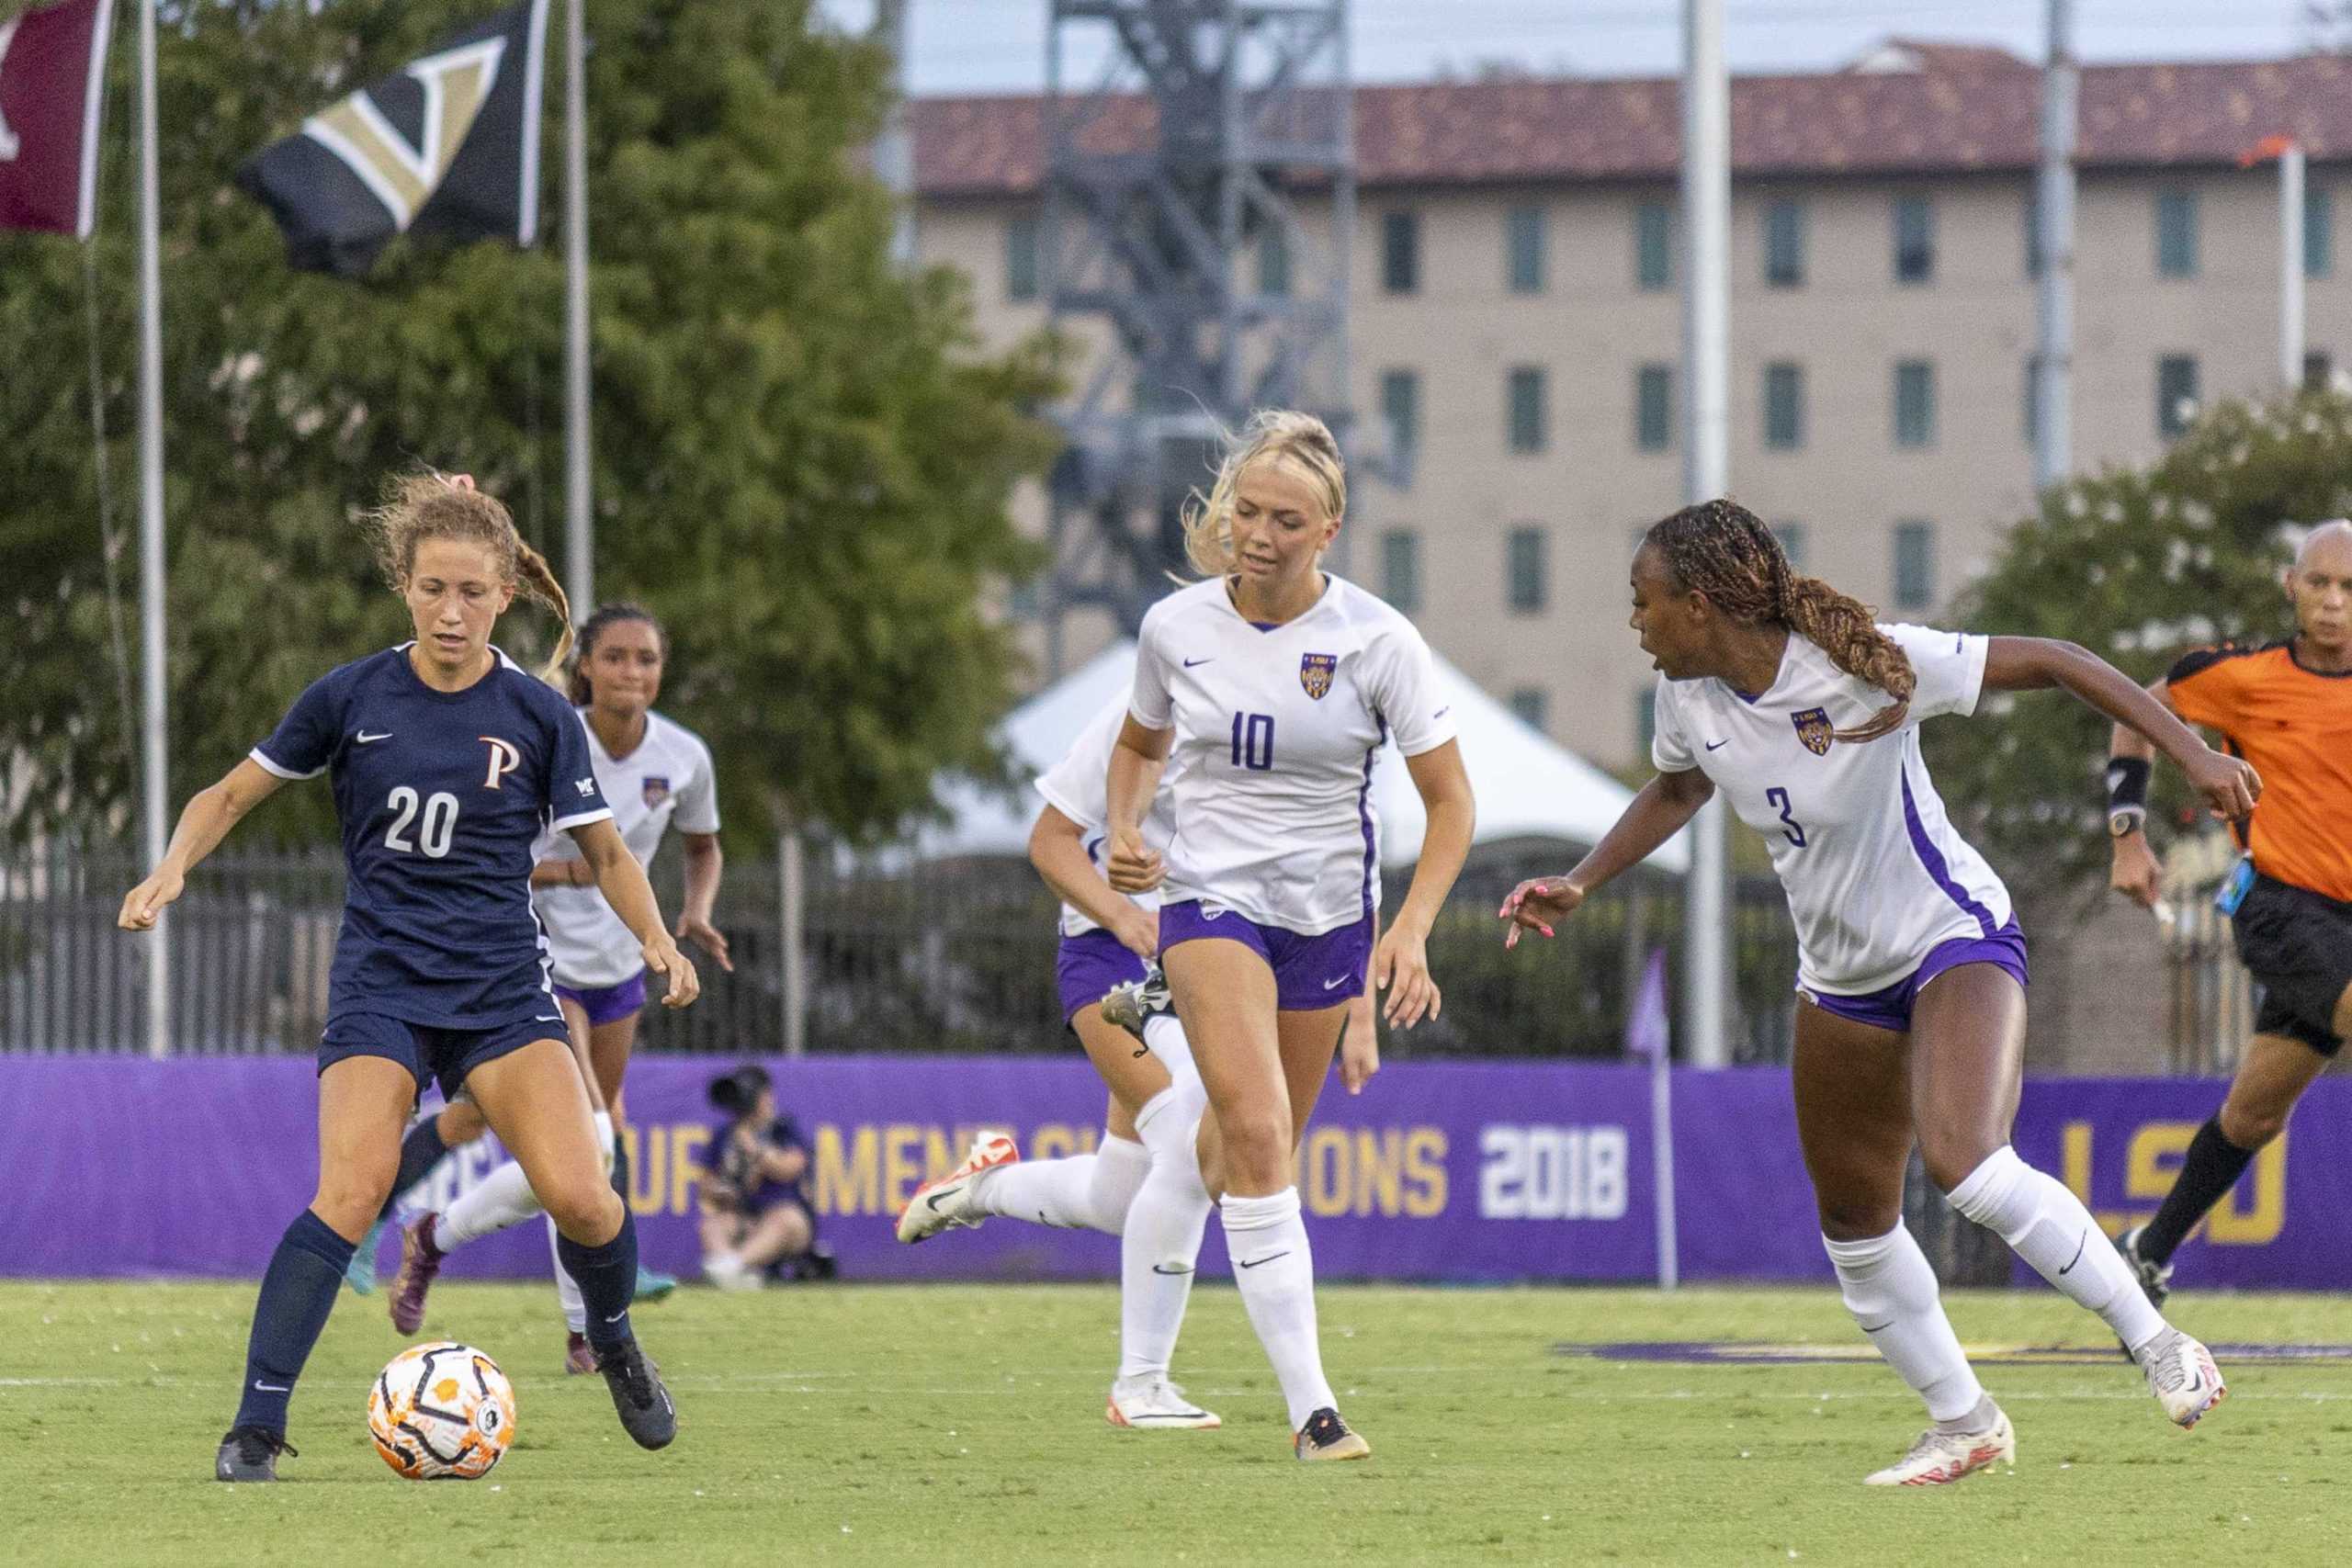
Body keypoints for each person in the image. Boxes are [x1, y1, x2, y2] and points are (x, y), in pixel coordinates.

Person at [1501, 499, 2256, 1486]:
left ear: (1700, 603)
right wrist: (1584, 878)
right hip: (1840, 977)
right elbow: (1680, 790)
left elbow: (2065, 660)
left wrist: (2192, 756)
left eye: (1642, 603)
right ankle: (1964, 1423)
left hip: (1952, 937)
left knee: (1969, 1167)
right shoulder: (1684, 696)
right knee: (1853, 1229)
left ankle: (2158, 1344)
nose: (1632, 624)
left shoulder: (1867, 662)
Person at [118, 473, 695, 1482]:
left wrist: (658, 937)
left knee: (587, 1200)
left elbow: (607, 854)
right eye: (433, 588)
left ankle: (612, 1342)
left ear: (505, 594)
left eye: (473, 591)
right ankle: (256, 1427)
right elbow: (230, 791)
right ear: (404, 586)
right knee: (351, 1193)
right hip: (381, 985)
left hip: (502, 995)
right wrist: (172, 866)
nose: (452, 611)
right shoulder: (349, 696)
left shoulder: (536, 715)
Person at [1102, 410, 1476, 1461]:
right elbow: (1136, 746)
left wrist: (1408, 931)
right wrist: (1127, 827)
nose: (1257, 533)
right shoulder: (1173, 630)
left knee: (1231, 1154)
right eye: (1245, 512)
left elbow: (1451, 806)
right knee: (1262, 1135)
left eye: (1285, 519)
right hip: (1210, 904)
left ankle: (1134, 1360)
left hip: (1327, 922)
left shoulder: (1376, 641)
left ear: (1330, 528)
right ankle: (1315, 1413)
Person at [898, 694, 1381, 1430]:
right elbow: (1051, 839)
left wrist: (1359, 1011)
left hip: (1212, 959)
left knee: (1119, 1196)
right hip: (1115, 959)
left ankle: (986, 1184)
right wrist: (1125, 917)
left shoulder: (1288, 734)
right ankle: (1140, 1384)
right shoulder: (1148, 714)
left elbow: (1340, 871)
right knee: (1193, 1136)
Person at [375, 604, 729, 1372]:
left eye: (648, 659)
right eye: (618, 658)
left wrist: (693, 914)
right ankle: (586, 1324)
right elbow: (485, 854)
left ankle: (431, 1234)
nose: (633, 672)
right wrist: (569, 871)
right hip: (538, 964)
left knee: (580, 1139)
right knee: (589, 1139)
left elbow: (703, 847)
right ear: (587, 669)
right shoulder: (540, 730)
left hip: (619, 967)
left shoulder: (684, 755)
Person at [2105, 520, 2352, 1309]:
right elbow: (2136, 713)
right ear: (2292, 586)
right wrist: (2127, 834)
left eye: (2349, 589)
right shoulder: (2239, 676)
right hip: (2282, 909)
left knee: (2254, 1113)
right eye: (2320, 583)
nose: (2335, 602)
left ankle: (2145, 1251)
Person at [696, 1063, 831, 1285]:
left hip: (788, 1221)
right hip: (745, 1217)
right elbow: (706, 1188)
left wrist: (756, 1151)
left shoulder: (783, 1128)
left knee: (785, 1220)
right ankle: (740, 1277)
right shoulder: (724, 1135)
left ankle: (733, 1266)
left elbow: (791, 1168)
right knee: (712, 1226)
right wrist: (721, 1191)